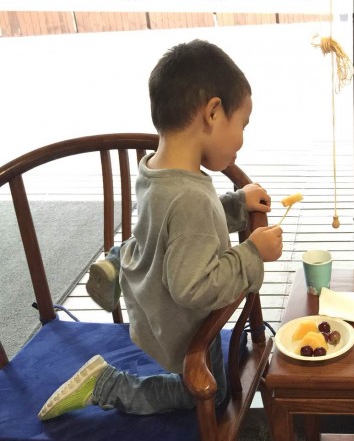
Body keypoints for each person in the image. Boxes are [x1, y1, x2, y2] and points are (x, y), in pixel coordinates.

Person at [38, 39, 284, 420]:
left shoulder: (156, 167)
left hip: (147, 289)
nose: (242, 139)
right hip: (181, 327)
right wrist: (252, 253)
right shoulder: (191, 198)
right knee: (212, 394)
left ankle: (119, 263)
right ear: (213, 113)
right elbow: (194, 288)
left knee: (148, 232)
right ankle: (108, 385)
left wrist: (237, 205)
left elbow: (184, 229)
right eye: (243, 124)